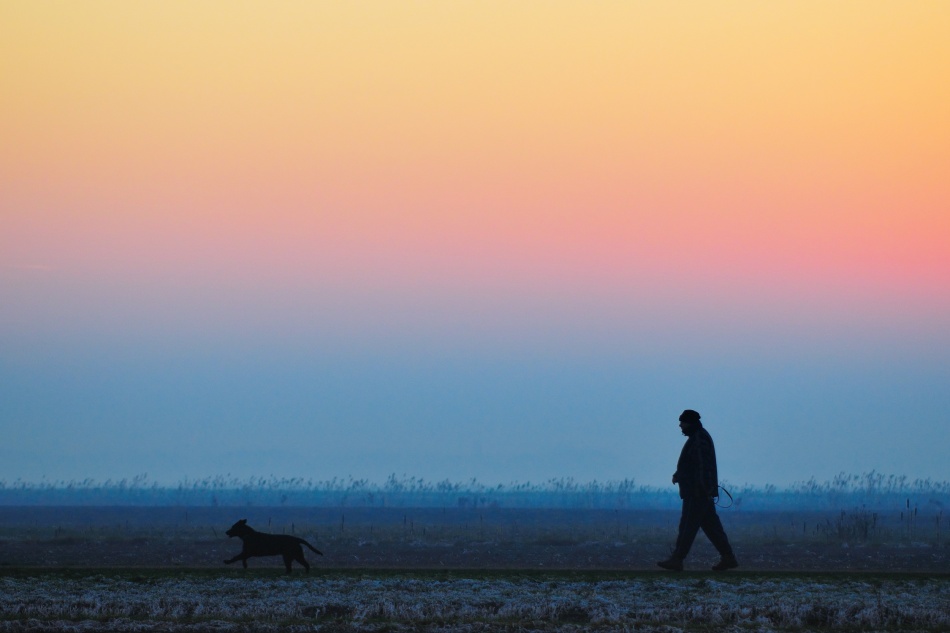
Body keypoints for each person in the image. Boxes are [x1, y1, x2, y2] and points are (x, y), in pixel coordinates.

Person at [657, 409, 738, 571]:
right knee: (711, 528)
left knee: (687, 527)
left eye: (682, 422)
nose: (680, 425)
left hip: (697, 493)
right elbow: (692, 464)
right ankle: (728, 557)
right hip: (699, 493)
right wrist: (679, 475)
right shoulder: (697, 438)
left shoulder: (699, 439)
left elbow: (703, 466)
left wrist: (704, 489)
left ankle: (677, 559)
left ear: (690, 423)